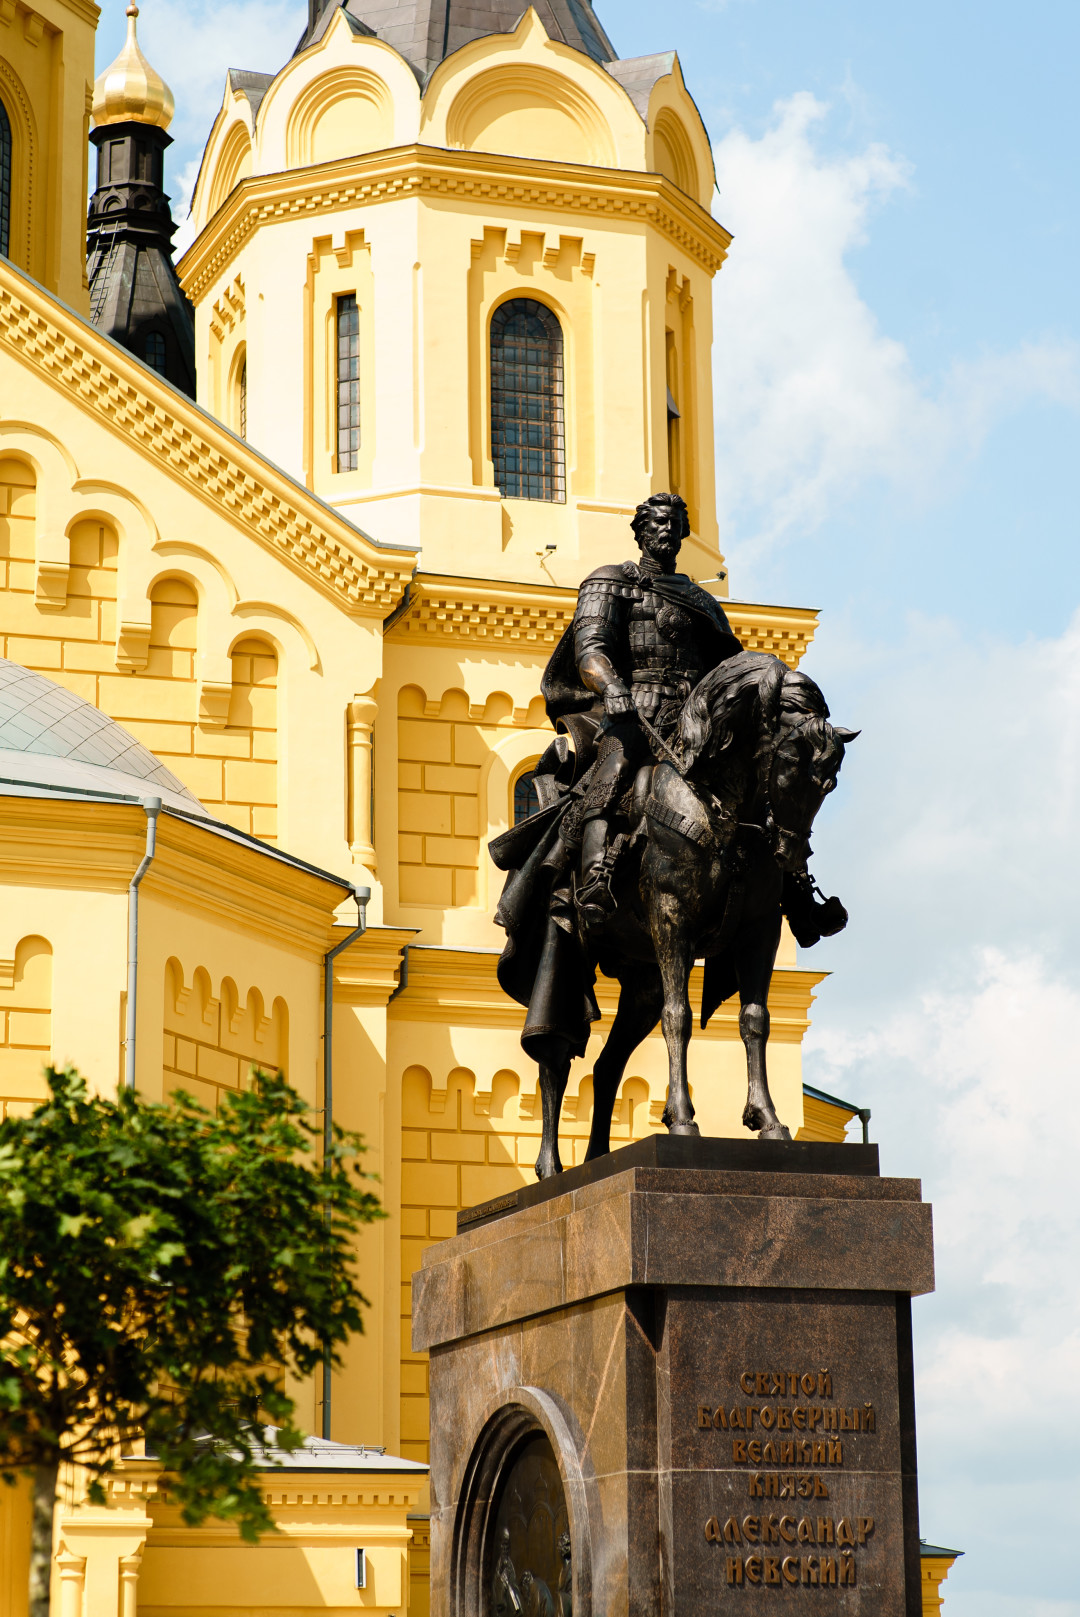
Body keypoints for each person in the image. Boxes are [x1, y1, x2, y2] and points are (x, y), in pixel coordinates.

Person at [541, 491, 741, 924]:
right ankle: (594, 874)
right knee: (617, 770)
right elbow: (590, 648)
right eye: (657, 522)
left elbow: (726, 668)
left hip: (695, 719)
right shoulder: (610, 581)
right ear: (640, 531)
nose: (666, 529)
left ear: (684, 532)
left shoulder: (701, 599)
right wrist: (612, 686)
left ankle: (790, 880)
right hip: (637, 711)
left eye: (674, 523)